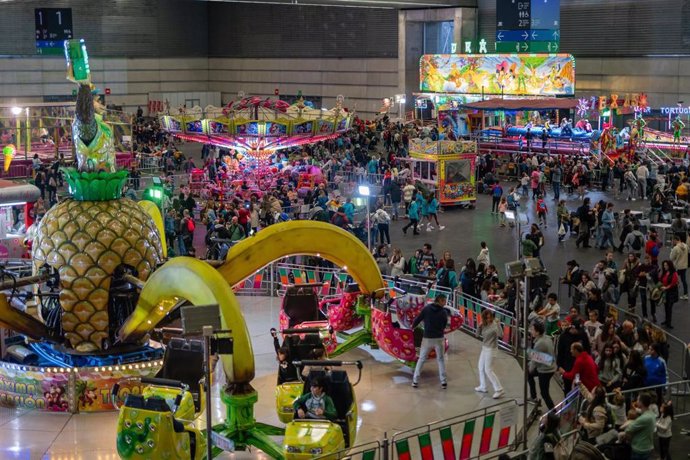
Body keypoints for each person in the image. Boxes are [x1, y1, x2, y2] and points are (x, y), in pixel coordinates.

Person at [411, 294, 450, 389]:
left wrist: (412, 327)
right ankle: (443, 382)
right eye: (444, 301)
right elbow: (445, 325)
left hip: (427, 338)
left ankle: (415, 381)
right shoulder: (444, 312)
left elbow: (417, 319)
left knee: (421, 359)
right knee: (440, 359)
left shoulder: (426, 309)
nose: (445, 303)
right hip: (439, 338)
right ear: (440, 300)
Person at [527, 320, 557, 410]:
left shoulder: (540, 343)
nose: (530, 331)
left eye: (532, 330)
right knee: (529, 375)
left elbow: (534, 361)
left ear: (537, 332)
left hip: (546, 371)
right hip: (550, 365)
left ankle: (553, 412)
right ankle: (533, 397)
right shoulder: (546, 338)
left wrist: (530, 368)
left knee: (544, 393)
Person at [475, 309, 504, 399]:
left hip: (491, 349)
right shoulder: (483, 324)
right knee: (480, 367)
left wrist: (498, 324)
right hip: (484, 348)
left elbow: (501, 335)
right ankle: (483, 386)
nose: (488, 319)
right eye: (486, 318)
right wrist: (479, 327)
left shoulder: (495, 325)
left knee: (488, 369)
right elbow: (477, 335)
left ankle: (499, 389)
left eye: (490, 317)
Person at [622, 393, 656, 460]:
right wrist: (635, 408)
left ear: (641, 402)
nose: (636, 401)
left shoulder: (643, 418)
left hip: (639, 449)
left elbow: (628, 430)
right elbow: (641, 411)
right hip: (647, 447)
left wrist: (629, 423)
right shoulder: (651, 413)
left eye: (637, 399)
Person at [659, 259, 679, 328]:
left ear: (670, 265)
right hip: (665, 292)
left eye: (666, 265)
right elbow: (661, 280)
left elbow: (673, 283)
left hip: (671, 293)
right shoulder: (665, 272)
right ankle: (666, 320)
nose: (665, 267)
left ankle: (669, 323)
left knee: (669, 307)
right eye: (664, 265)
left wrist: (666, 288)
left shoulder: (674, 273)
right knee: (666, 307)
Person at [670, 234, 688, 300]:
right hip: (684, 265)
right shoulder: (686, 246)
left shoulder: (675, 248)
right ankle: (685, 294)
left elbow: (671, 258)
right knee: (684, 280)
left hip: (678, 266)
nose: (672, 241)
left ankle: (673, 293)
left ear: (675, 240)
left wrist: (671, 251)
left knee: (673, 278)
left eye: (672, 240)